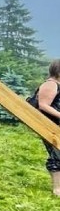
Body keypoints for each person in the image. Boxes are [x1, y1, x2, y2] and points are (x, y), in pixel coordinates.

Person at [35, 59, 60, 196]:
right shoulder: (51, 84)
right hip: (49, 126)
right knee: (57, 156)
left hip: (55, 125)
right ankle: (57, 189)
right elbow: (43, 105)